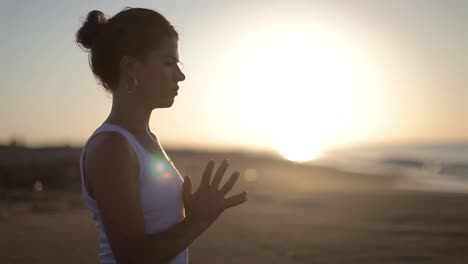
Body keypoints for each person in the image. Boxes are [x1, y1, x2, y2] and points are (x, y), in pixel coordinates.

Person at [75, 7, 248, 264]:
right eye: (168, 62)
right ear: (131, 67)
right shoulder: (112, 146)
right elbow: (133, 257)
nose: (181, 75)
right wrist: (197, 221)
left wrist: (189, 213)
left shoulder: (146, 139)